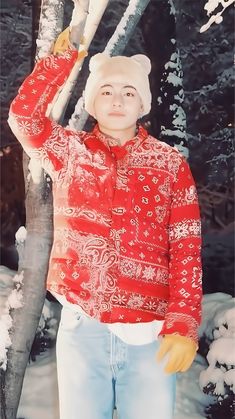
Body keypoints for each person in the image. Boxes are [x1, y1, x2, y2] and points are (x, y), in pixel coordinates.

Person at [8, 25, 202, 419]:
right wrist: (60, 63)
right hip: (83, 327)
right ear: (93, 103)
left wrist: (183, 322)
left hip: (150, 335)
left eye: (129, 92)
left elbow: (186, 246)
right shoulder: (69, 151)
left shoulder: (169, 165)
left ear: (142, 104)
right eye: (107, 92)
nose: (117, 100)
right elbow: (24, 118)